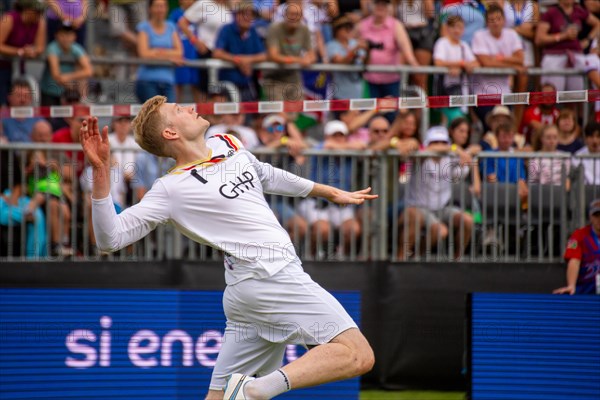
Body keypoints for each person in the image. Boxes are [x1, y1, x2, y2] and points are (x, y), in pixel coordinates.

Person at [80, 96, 376, 400]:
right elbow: (109, 239)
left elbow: (266, 174)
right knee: (357, 355)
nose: (191, 107)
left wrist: (328, 192)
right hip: (272, 279)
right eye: (179, 110)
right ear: (171, 133)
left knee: (220, 397)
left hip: (244, 297)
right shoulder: (170, 189)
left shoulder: (226, 142)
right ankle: (258, 390)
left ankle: (247, 391)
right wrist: (101, 172)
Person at [212, 1, 267, 102]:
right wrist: (238, 60)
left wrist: (248, 60)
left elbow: (263, 55)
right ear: (236, 15)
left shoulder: (253, 31)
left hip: (246, 84)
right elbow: (217, 53)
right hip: (226, 86)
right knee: (229, 115)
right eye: (243, 14)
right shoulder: (226, 30)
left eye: (250, 14)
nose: (247, 17)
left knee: (250, 113)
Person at [263, 4, 316, 101]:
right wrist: (299, 60)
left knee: (297, 112)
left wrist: (309, 59)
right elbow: (273, 56)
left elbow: (312, 55)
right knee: (279, 114)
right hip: (274, 78)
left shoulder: (304, 30)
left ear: (301, 17)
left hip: (294, 78)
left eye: (297, 14)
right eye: (291, 14)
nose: (293, 17)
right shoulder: (275, 28)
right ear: (284, 15)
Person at [135, 0, 183, 102]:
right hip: (147, 81)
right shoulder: (144, 27)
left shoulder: (171, 26)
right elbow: (144, 54)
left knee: (170, 116)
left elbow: (179, 52)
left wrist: (156, 51)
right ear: (150, 9)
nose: (160, 10)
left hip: (168, 81)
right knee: (153, 116)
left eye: (163, 6)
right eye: (157, 6)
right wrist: (170, 56)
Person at [553, 199, 600, 295]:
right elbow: (574, 261)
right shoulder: (578, 236)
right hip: (586, 288)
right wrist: (571, 285)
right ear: (590, 217)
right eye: (596, 216)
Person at [40, 22, 93, 106]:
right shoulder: (52, 48)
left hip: (68, 94)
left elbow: (89, 71)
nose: (66, 38)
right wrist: (68, 81)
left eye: (69, 34)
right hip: (50, 92)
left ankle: (84, 98)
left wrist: (67, 77)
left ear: (74, 36)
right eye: (63, 34)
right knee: (49, 117)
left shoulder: (76, 48)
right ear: (56, 35)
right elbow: (56, 75)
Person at [572, 121, 600, 185]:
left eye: (598, 137)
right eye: (591, 136)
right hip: (585, 192)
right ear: (585, 138)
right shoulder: (577, 156)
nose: (594, 140)